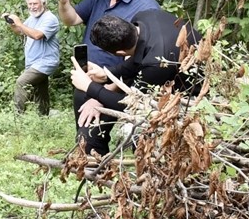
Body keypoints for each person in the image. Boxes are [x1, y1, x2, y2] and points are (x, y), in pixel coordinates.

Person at [71, 9, 198, 146]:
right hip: (161, 77)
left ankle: (94, 155)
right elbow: (138, 57)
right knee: (83, 100)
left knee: (136, 137)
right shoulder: (146, 15)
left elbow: (132, 105)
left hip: (188, 95)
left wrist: (90, 87)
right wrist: (108, 74)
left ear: (120, 52)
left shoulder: (156, 64)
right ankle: (92, 154)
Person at [8, 0, 60, 116]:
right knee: (41, 92)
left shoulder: (50, 18)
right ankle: (43, 118)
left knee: (22, 82)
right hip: (33, 62)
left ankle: (17, 117)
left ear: (43, 3)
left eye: (35, 4)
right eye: (29, 4)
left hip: (45, 62)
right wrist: (11, 23)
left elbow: (37, 35)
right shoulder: (32, 18)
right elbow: (21, 31)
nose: (32, 7)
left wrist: (19, 23)